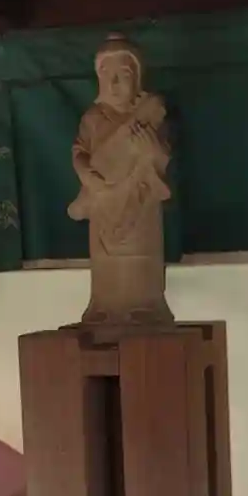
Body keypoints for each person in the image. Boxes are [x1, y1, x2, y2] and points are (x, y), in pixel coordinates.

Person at [68, 34, 174, 327]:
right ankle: (103, 306)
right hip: (103, 200)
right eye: (107, 76)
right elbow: (79, 151)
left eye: (123, 76)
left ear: (137, 79)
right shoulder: (93, 118)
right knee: (105, 260)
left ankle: (145, 305)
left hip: (139, 198)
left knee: (139, 254)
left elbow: (163, 159)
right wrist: (85, 173)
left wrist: (150, 150)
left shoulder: (150, 117)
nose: (114, 84)